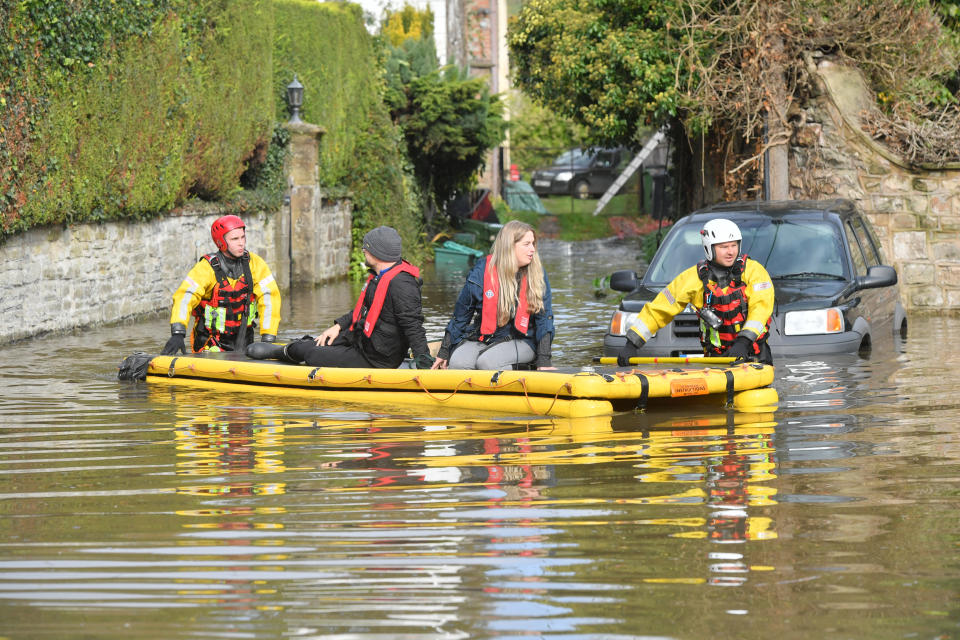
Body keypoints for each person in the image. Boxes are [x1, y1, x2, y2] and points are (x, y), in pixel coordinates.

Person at [248, 226, 433, 369]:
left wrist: (424, 363)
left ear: (379, 253)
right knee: (318, 342)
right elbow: (363, 311)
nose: (363, 250)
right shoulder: (380, 276)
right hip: (363, 340)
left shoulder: (402, 285)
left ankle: (287, 352)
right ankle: (285, 350)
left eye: (366, 248)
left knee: (313, 354)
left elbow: (413, 326)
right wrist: (339, 326)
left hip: (378, 358)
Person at [618, 218, 774, 365]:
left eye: (734, 245)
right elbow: (659, 309)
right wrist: (632, 344)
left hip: (754, 355)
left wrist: (744, 342)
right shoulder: (692, 279)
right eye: (723, 247)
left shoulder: (755, 271)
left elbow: (761, 309)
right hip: (716, 360)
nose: (730, 252)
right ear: (709, 248)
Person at [432, 220, 555, 371]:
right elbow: (461, 316)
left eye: (533, 244)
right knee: (458, 363)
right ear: (510, 246)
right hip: (485, 337)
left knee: (488, 363)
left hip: (523, 339)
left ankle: (521, 372)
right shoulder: (480, 272)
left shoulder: (537, 275)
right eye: (527, 244)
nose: (532, 249)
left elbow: (545, 319)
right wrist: (444, 351)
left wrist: (544, 361)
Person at [161, 215, 282, 355]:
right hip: (210, 344)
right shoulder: (206, 268)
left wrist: (268, 339)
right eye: (235, 239)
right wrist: (178, 332)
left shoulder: (255, 264)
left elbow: (270, 299)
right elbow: (185, 297)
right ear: (221, 242)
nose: (241, 243)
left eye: (243, 237)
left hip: (244, 341)